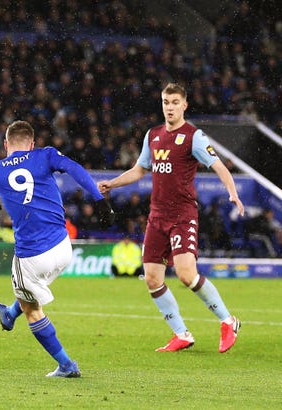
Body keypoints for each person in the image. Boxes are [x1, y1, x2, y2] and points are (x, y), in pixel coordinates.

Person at [98, 83, 244, 353]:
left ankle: (228, 321)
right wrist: (113, 184)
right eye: (166, 102)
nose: (170, 107)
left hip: (182, 216)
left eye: (175, 102)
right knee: (152, 278)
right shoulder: (153, 135)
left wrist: (232, 192)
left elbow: (219, 166)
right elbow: (139, 169)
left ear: (184, 105)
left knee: (187, 275)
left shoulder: (193, 137)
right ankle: (182, 334)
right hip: (157, 216)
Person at [0, 120, 114, 378]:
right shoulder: (45, 155)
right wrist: (99, 201)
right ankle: (8, 314)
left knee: (32, 309)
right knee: (29, 293)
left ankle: (66, 365)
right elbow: (75, 169)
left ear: (6, 144)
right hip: (63, 249)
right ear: (32, 144)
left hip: (31, 256)